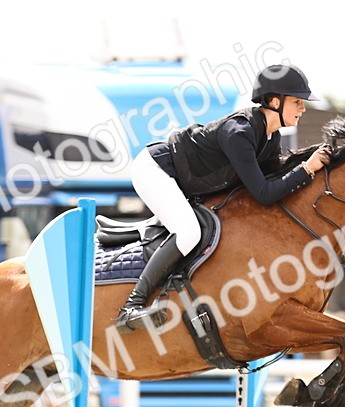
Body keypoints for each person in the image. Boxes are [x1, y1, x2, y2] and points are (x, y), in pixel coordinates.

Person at [114, 64, 332, 333]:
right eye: (297, 101)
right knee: (189, 233)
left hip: (184, 180)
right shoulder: (239, 133)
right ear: (275, 101)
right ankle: (131, 308)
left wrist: (314, 161)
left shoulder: (270, 137)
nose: (303, 108)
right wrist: (308, 168)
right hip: (155, 169)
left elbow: (279, 177)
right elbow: (264, 193)